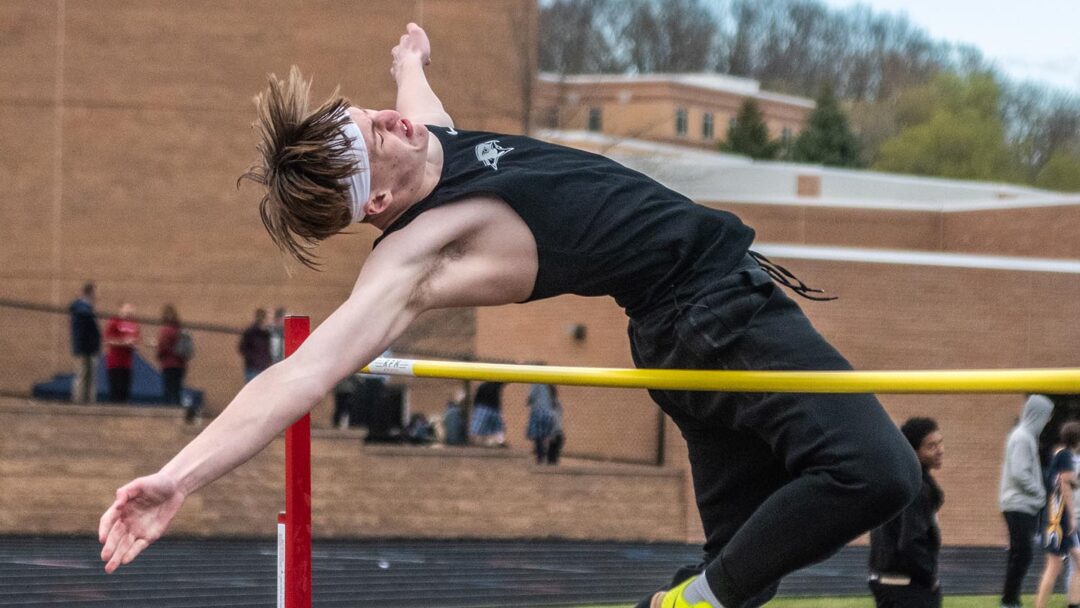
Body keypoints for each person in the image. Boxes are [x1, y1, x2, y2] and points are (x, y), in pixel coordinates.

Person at [99, 23, 920, 607]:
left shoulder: (429, 143)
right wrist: (177, 477)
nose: (387, 122)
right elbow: (302, 374)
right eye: (369, 143)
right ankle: (695, 601)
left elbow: (419, 107)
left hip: (686, 329)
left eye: (363, 113)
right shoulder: (415, 255)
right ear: (377, 201)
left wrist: (407, 64)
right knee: (879, 473)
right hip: (713, 314)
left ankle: (699, 598)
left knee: (744, 566)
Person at [868, 417, 945, 608]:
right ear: (914, 452)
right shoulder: (916, 487)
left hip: (889, 582)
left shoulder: (901, 480)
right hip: (905, 588)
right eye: (931, 446)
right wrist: (930, 578)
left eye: (940, 443)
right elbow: (911, 541)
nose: (940, 450)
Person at [1000, 395, 1054, 608]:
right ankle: (1009, 600)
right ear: (1037, 414)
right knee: (1023, 555)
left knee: (1019, 555)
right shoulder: (1023, 437)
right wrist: (1040, 493)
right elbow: (1020, 473)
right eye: (1047, 415)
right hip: (1019, 505)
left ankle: (1010, 599)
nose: (1048, 420)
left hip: (1019, 504)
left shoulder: (1023, 436)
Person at [1034, 422, 1080, 608]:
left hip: (1056, 516)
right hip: (1057, 519)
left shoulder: (1062, 455)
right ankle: (1040, 605)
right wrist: (1070, 516)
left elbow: (1066, 482)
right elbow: (1065, 484)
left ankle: (1074, 603)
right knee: (1054, 567)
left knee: (1074, 562)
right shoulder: (1066, 456)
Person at [69, 282, 101, 403]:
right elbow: (87, 325)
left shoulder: (86, 307)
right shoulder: (81, 306)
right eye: (96, 292)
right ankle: (78, 400)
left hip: (90, 347)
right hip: (83, 346)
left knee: (90, 376)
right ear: (91, 292)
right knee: (82, 374)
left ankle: (88, 400)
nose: (97, 295)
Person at [103, 303, 140, 403]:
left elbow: (136, 341)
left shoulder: (134, 324)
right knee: (116, 391)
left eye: (131, 310)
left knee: (125, 391)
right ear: (121, 309)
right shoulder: (114, 322)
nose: (129, 312)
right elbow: (108, 340)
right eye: (127, 309)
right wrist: (123, 342)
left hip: (127, 364)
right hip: (115, 362)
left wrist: (134, 345)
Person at [155, 305, 188, 407]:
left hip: (168, 363)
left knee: (168, 389)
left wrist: (159, 355)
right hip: (181, 363)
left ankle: (168, 412)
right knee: (177, 389)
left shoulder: (165, 330)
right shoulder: (180, 329)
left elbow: (163, 347)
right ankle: (177, 409)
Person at [526, 383, 564, 465]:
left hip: (538, 412)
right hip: (549, 414)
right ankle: (546, 457)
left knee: (538, 436)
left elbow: (531, 397)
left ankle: (540, 457)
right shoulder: (550, 386)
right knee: (546, 435)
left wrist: (528, 401)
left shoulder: (536, 383)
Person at [237, 308, 271, 382]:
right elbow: (242, 348)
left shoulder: (267, 334)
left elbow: (268, 350)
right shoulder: (251, 332)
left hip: (264, 368)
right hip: (253, 368)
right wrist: (253, 359)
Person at [469, 381, 506, 447]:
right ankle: (476, 444)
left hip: (493, 408)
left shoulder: (495, 384)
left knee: (498, 427)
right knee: (477, 429)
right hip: (484, 406)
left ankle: (499, 442)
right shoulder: (483, 386)